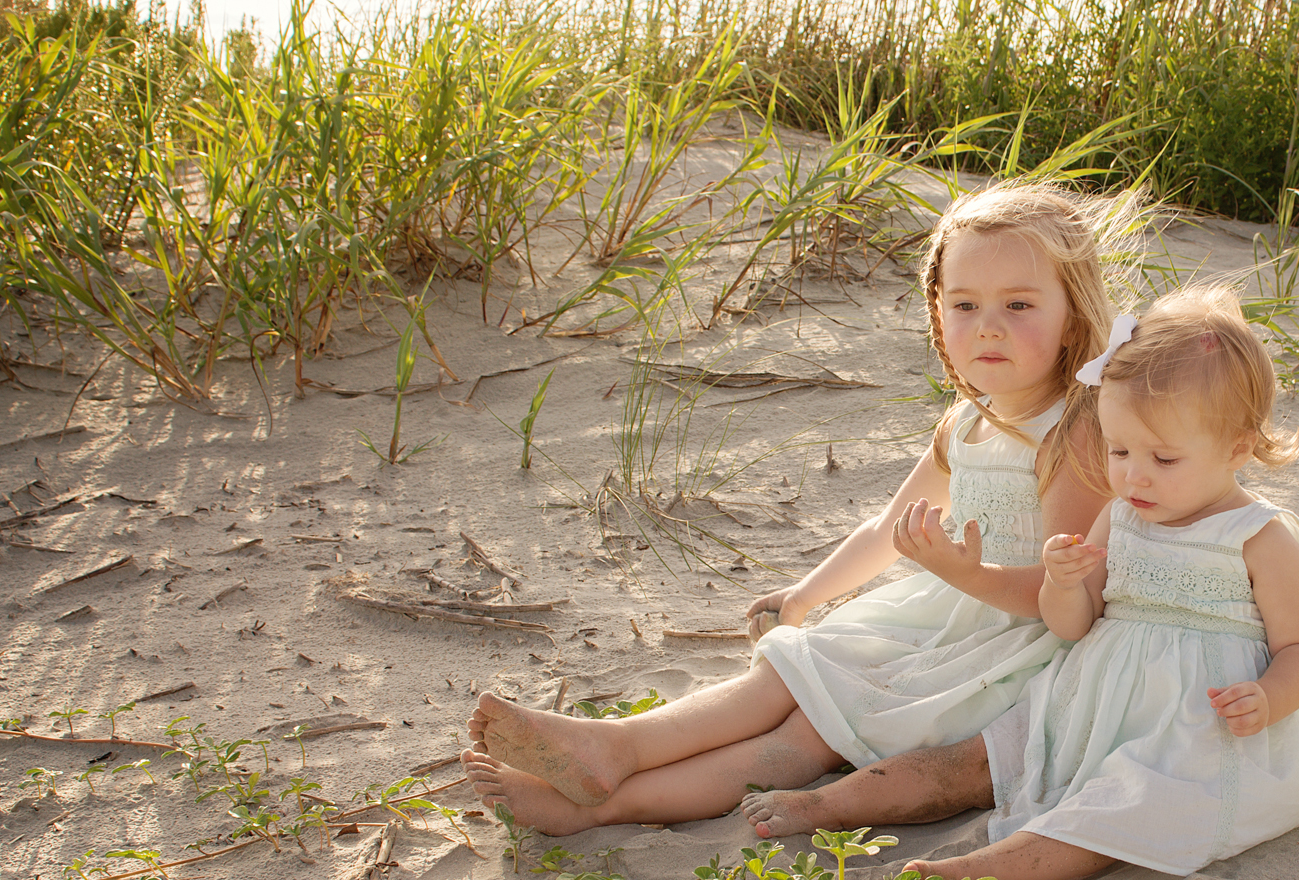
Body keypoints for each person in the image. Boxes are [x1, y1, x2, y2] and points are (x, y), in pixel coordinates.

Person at [462, 183, 1127, 835]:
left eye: (1018, 303)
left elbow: (1060, 593)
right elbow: (885, 531)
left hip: (1007, 652)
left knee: (805, 736)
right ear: (937, 313)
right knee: (784, 671)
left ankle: (603, 805)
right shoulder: (965, 424)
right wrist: (806, 594)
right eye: (964, 303)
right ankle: (619, 745)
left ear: (1072, 314)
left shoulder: (1075, 430)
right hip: (937, 619)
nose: (987, 325)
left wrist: (960, 574)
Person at [740, 284, 1299, 880]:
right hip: (1089, 699)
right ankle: (830, 804)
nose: (1132, 474)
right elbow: (1072, 624)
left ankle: (975, 873)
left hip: (1196, 725)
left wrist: (1269, 699)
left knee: (1119, 809)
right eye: (1118, 450)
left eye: (1163, 459)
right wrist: (1063, 584)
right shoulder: (1121, 516)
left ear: (1237, 447)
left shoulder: (1260, 537)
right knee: (977, 760)